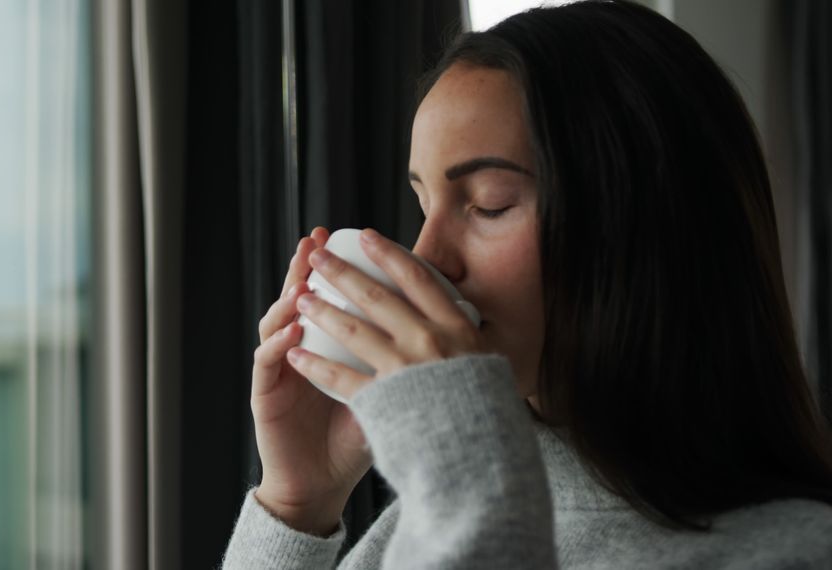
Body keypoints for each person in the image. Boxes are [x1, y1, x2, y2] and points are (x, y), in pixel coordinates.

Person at [222, 1, 832, 567]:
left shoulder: (792, 550)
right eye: (422, 205)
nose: (427, 257)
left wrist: (464, 470)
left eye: (487, 205)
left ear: (641, 229)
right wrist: (298, 506)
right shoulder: (416, 524)